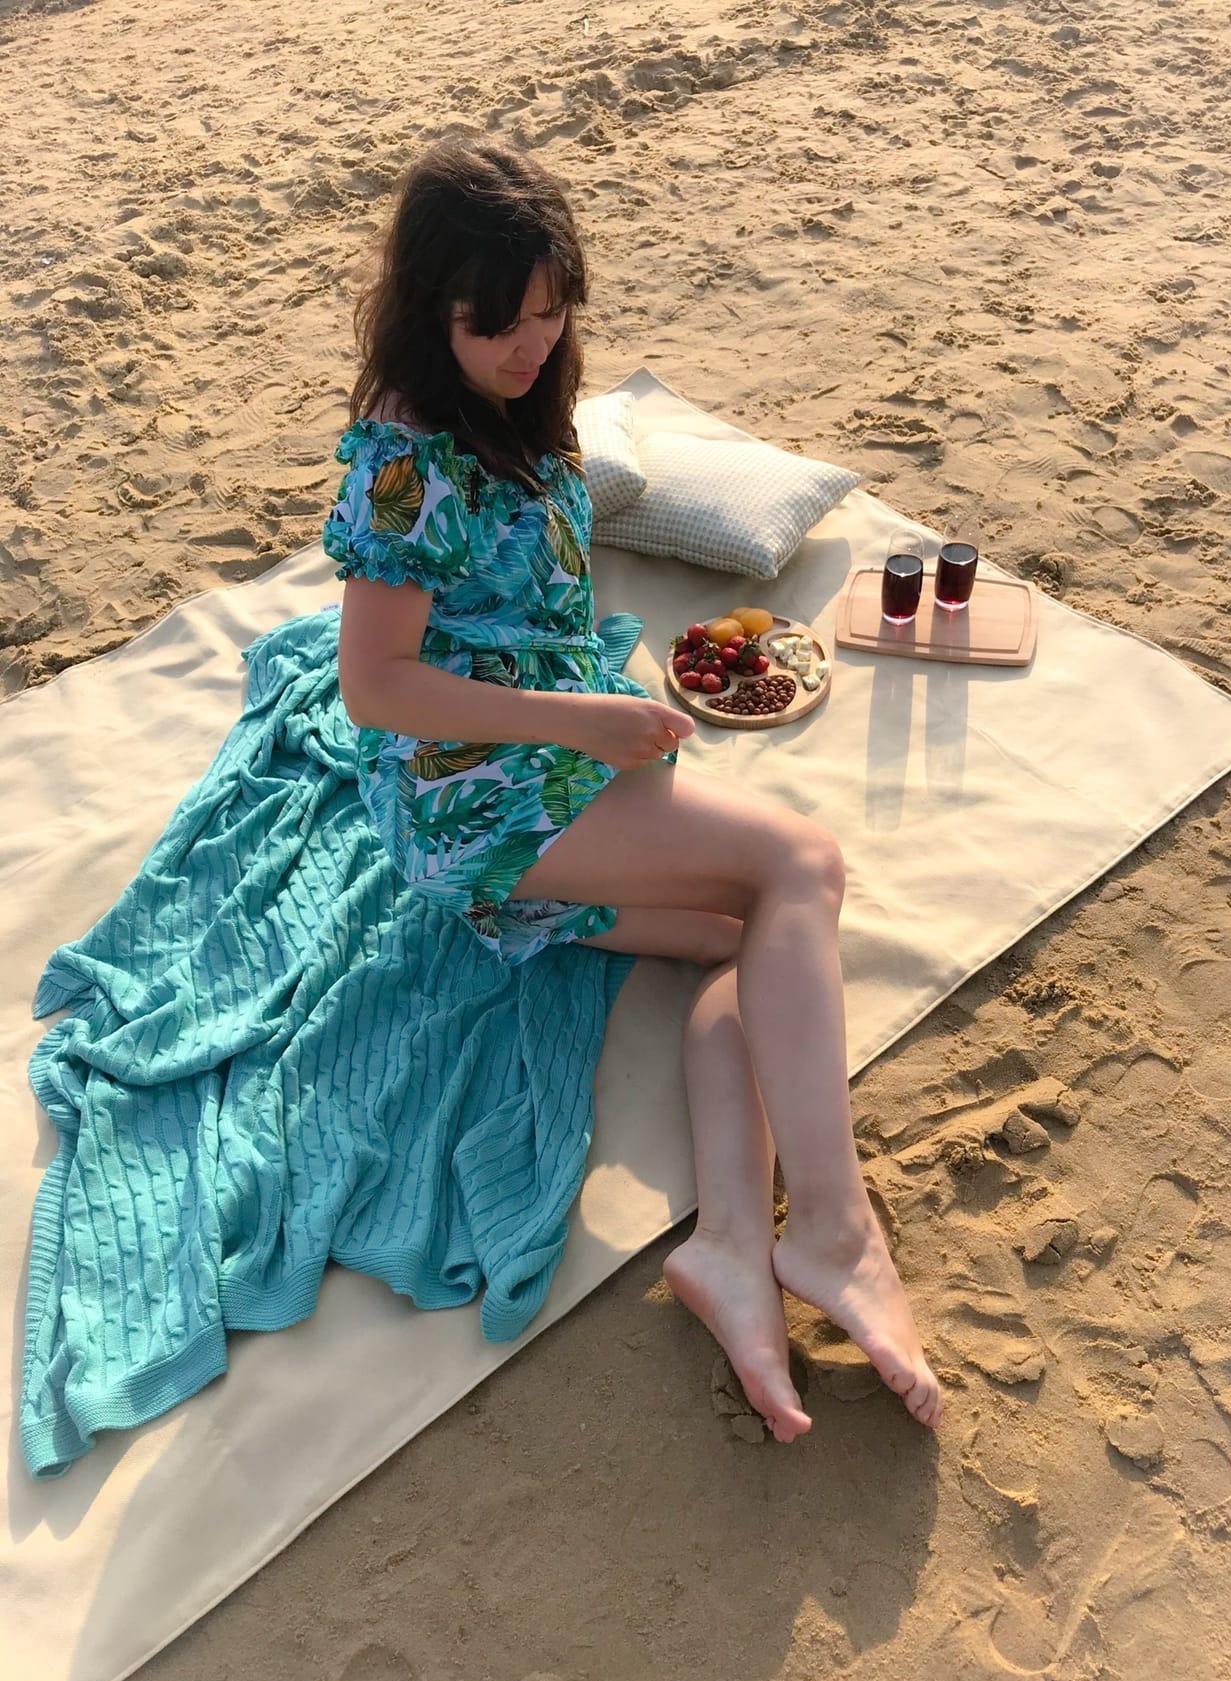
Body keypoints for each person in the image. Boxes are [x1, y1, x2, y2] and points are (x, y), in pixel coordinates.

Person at [327, 137, 944, 1440]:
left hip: (544, 745)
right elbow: (374, 687)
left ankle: (731, 1246)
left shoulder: (515, 397)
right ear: (433, 307)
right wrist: (584, 720)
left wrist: (595, 691)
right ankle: (835, 1231)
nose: (532, 345)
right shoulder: (406, 461)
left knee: (752, 938)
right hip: (469, 790)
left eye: (552, 313)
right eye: (498, 322)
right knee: (803, 865)